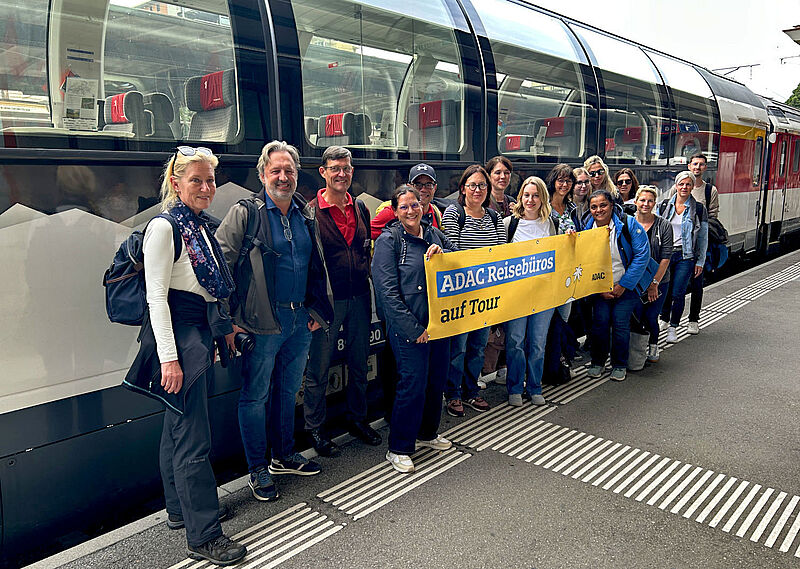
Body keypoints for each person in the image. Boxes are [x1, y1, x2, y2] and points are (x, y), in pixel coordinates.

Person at [125, 146, 246, 565]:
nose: (206, 188)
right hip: (180, 336)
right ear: (175, 183)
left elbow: (207, 289)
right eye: (196, 180)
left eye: (210, 180)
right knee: (194, 438)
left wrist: (223, 327)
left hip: (196, 329)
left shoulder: (193, 225)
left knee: (175, 429)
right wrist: (169, 359)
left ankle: (180, 511)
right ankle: (204, 535)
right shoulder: (165, 227)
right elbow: (156, 298)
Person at [216, 141, 333, 502]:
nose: (283, 177)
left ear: (297, 175)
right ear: (262, 174)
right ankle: (256, 468)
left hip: (300, 320)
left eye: (290, 171)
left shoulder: (305, 214)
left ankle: (283, 455)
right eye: (276, 171)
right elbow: (219, 266)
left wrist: (316, 311)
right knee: (255, 396)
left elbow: (316, 266)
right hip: (260, 323)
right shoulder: (246, 213)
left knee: (286, 391)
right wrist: (229, 322)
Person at [372, 185, 456, 473]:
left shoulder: (435, 234)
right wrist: (412, 328)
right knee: (412, 384)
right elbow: (386, 292)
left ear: (423, 206)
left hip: (439, 324)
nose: (411, 210)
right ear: (395, 211)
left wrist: (443, 253)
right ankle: (399, 447)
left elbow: (460, 263)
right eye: (404, 206)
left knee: (435, 381)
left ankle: (428, 434)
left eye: (415, 205)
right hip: (411, 328)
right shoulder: (389, 241)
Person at [302, 146, 379, 458]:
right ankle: (316, 431)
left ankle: (357, 420)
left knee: (359, 362)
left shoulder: (360, 208)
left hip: (360, 295)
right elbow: (305, 262)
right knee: (318, 369)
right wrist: (312, 305)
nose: (342, 174)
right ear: (323, 172)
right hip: (328, 303)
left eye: (346, 168)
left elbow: (365, 249)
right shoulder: (310, 213)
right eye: (335, 168)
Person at [441, 164, 506, 417]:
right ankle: (453, 394)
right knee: (458, 347)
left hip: (486, 295)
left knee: (478, 346)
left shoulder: (494, 217)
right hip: (462, 295)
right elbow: (452, 252)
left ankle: (471, 391)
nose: (477, 190)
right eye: (473, 185)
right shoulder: (454, 213)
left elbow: (503, 252)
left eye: (482, 185)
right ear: (463, 188)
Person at [503, 176, 560, 406]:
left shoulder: (551, 223)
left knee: (537, 342)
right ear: (520, 197)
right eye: (526, 195)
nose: (531, 199)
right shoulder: (510, 224)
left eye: (536, 195)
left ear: (542, 198)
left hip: (544, 294)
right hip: (517, 295)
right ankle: (515, 387)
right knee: (515, 341)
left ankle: (534, 387)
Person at [583, 189, 650, 381]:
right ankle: (597, 362)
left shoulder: (629, 224)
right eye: (594, 207)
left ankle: (619, 365)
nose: (599, 210)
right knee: (600, 324)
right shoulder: (587, 229)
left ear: (612, 205)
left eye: (603, 205)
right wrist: (600, 288)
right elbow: (584, 261)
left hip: (626, 286)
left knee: (621, 323)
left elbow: (642, 256)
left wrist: (624, 285)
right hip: (601, 287)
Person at [666, 153, 719, 334]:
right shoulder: (672, 196)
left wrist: (700, 257)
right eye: (694, 164)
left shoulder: (709, 191)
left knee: (696, 285)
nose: (697, 167)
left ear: (705, 167)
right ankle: (666, 318)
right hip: (673, 250)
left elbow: (711, 219)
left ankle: (693, 319)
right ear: (689, 166)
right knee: (670, 286)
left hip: (694, 247)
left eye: (701, 164)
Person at [658, 171, 709, 344]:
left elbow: (702, 238)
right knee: (664, 289)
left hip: (685, 256)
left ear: (693, 186)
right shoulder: (665, 205)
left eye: (688, 184)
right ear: (676, 185)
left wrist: (700, 261)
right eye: (681, 184)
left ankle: (673, 327)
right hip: (666, 254)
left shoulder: (699, 209)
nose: (684, 187)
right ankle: (664, 318)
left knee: (678, 292)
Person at [481, 156, 516, 385]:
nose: (502, 177)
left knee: (507, 322)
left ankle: (503, 367)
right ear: (489, 176)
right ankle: (483, 370)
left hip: (511, 271)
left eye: (506, 173)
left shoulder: (514, 202)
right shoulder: (483, 203)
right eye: (497, 172)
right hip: (490, 271)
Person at [632, 186, 673, 363]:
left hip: (659, 280)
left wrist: (654, 283)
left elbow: (665, 257)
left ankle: (654, 347)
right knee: (636, 316)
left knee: (650, 316)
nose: (646, 204)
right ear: (635, 202)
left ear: (654, 203)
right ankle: (636, 350)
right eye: (642, 200)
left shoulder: (664, 225)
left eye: (650, 201)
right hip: (635, 281)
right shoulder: (628, 223)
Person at [371, 163, 442, 239]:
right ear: (409, 187)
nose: (423, 189)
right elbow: (366, 234)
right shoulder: (392, 211)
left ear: (435, 188)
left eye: (428, 185)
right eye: (418, 184)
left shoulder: (436, 214)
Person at [547, 163, 577, 233]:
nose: (565, 184)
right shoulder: (544, 207)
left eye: (569, 181)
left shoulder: (572, 208)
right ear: (553, 181)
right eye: (561, 180)